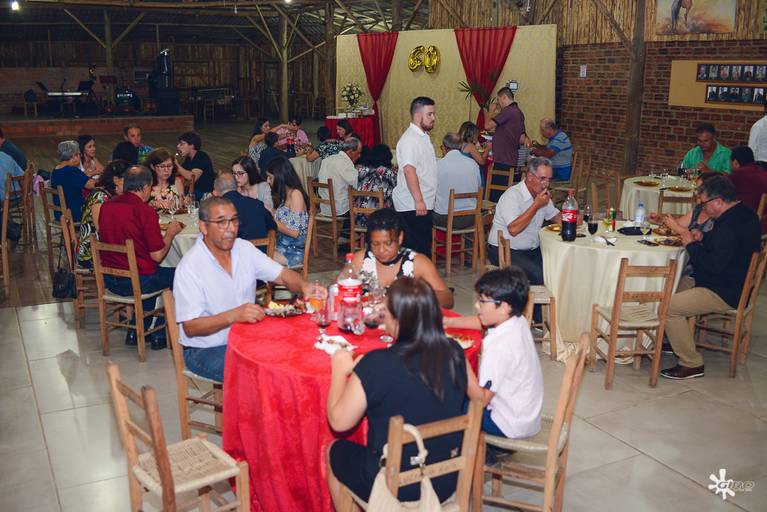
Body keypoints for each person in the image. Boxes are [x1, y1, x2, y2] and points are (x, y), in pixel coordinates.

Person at [326, 277, 468, 507]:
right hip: (445, 480)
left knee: (335, 450)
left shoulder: (377, 364)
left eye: (387, 313)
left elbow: (338, 422)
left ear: (397, 320)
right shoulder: (455, 351)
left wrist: (339, 371)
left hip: (395, 486)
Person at [173, 196, 309, 382]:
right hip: (206, 349)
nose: (230, 228)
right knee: (261, 372)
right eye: (221, 222)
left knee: (291, 353)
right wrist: (234, 315)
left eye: (234, 220)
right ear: (203, 227)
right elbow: (191, 327)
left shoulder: (244, 249)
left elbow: (283, 275)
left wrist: (305, 286)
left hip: (246, 338)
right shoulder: (190, 267)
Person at [661, 176, 761, 380]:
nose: (702, 207)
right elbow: (726, 249)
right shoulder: (744, 213)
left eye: (704, 202)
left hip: (723, 290)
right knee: (669, 286)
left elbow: (711, 266)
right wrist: (704, 237)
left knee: (668, 306)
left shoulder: (728, 226)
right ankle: (675, 338)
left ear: (718, 201)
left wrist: (690, 244)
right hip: (731, 280)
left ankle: (691, 363)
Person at [444, 268, 543, 440]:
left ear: (503, 307)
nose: (476, 306)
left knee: (446, 400)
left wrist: (460, 359)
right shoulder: (516, 320)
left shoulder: (499, 345)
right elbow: (482, 323)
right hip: (526, 415)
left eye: (482, 302)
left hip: (508, 424)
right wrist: (448, 321)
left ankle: (467, 450)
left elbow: (480, 401)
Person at [98, 165, 184, 350]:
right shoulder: (144, 211)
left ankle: (137, 330)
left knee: (150, 270)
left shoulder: (107, 206)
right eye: (150, 188)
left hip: (110, 279)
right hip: (137, 281)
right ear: (145, 187)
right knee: (182, 275)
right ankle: (160, 333)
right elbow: (157, 256)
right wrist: (170, 233)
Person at [349, 208, 453, 308]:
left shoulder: (417, 262)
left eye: (388, 243)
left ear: (400, 238)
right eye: (375, 244)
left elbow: (448, 299)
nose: (381, 250)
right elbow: (340, 290)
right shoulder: (361, 259)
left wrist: (412, 299)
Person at [487, 157, 561, 285]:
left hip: (531, 249)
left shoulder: (542, 195)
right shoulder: (512, 195)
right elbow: (513, 229)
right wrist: (536, 205)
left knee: (557, 269)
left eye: (549, 179)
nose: (546, 184)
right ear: (530, 176)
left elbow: (555, 216)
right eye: (542, 178)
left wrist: (572, 217)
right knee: (542, 276)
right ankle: (528, 298)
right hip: (505, 249)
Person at [393, 96, 438, 256]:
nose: (433, 118)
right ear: (418, 115)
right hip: (412, 204)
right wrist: (419, 200)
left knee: (422, 251)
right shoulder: (410, 140)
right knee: (417, 254)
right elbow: (409, 170)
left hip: (421, 202)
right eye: (429, 114)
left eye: (433, 114)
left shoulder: (422, 137)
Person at [77, 160, 129, 268]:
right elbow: (100, 229)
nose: (130, 186)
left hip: (101, 248)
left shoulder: (110, 195)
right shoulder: (99, 197)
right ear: (115, 180)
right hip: (92, 253)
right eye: (127, 181)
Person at [266, 156, 309, 266]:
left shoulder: (295, 195)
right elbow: (286, 219)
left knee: (256, 257)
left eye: (270, 178)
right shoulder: (286, 193)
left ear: (280, 177)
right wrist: (270, 211)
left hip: (292, 251)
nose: (267, 181)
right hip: (282, 245)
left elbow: (295, 233)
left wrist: (271, 220)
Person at [433, 132, 482, 229]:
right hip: (471, 217)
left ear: (444, 148)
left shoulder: (438, 165)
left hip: (445, 217)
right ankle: (469, 239)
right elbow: (478, 187)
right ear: (461, 146)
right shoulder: (473, 164)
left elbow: (432, 191)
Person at [212, 172, 276, 240]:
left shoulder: (217, 211)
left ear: (216, 191)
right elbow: (273, 226)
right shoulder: (257, 204)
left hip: (233, 246)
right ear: (237, 187)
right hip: (261, 246)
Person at [483, 87, 526, 180]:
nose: (498, 103)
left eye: (498, 99)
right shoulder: (519, 112)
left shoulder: (508, 111)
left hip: (503, 159)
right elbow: (522, 139)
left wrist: (490, 111)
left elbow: (487, 126)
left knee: (496, 188)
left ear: (504, 97)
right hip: (511, 158)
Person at [50, 140, 96, 222]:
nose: (80, 157)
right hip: (73, 214)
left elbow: (72, 181)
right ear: (74, 156)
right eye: (79, 154)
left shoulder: (56, 170)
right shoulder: (72, 171)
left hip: (59, 214)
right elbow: (93, 185)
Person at [354, 144, 397, 229]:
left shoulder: (362, 170)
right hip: (379, 220)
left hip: (360, 218)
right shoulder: (388, 172)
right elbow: (396, 187)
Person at [318, 137, 362, 217]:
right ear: (350, 152)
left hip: (325, 208)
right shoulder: (345, 163)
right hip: (340, 209)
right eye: (358, 152)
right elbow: (358, 184)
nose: (359, 156)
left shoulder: (326, 160)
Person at [729, 146, 767, 233]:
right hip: (764, 223)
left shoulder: (738, 175)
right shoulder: (763, 172)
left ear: (735, 162)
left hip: (747, 225)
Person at [176, 131, 215, 199]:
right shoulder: (189, 158)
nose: (178, 146)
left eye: (182, 144)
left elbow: (193, 177)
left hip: (203, 194)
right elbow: (180, 172)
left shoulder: (201, 157)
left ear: (192, 145)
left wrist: (176, 165)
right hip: (194, 191)